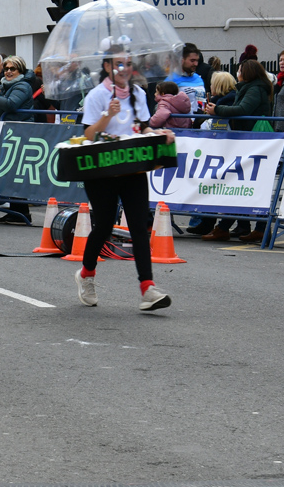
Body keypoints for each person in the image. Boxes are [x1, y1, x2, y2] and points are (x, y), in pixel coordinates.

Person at [74, 48, 173, 312]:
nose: (125, 69)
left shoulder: (138, 93)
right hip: (102, 171)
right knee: (104, 226)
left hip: (132, 168)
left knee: (139, 227)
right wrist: (107, 115)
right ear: (107, 67)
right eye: (119, 64)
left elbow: (143, 126)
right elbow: (89, 135)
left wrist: (156, 134)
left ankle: (147, 288)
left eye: (128, 64)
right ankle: (86, 274)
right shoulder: (97, 96)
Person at [203, 59, 273, 243]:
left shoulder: (255, 89)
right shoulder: (249, 88)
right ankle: (238, 227)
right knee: (244, 185)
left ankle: (231, 227)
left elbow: (243, 109)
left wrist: (218, 109)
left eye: (240, 70)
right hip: (248, 140)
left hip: (253, 141)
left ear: (247, 72)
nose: (237, 73)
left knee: (247, 184)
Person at [0, 54, 34, 224]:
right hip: (10, 133)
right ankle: (15, 211)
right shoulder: (7, 85)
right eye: (6, 68)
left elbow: (11, 104)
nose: (8, 71)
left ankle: (21, 213)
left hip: (20, 133)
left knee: (16, 173)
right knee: (11, 173)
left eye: (13, 68)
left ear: (20, 70)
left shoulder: (23, 86)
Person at [167, 43, 208, 111]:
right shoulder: (170, 80)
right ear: (181, 60)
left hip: (201, 116)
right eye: (192, 61)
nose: (196, 64)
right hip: (181, 117)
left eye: (197, 60)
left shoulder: (198, 78)